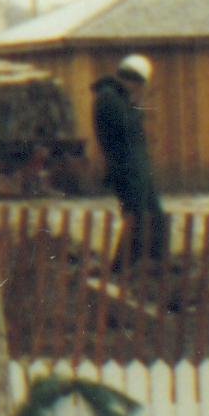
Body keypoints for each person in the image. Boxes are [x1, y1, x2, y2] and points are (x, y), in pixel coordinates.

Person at [89, 52, 170, 268]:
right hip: (126, 169)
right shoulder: (109, 98)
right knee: (137, 218)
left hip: (137, 169)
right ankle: (124, 266)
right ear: (135, 80)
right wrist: (136, 108)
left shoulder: (116, 98)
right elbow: (126, 128)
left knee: (155, 217)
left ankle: (154, 261)